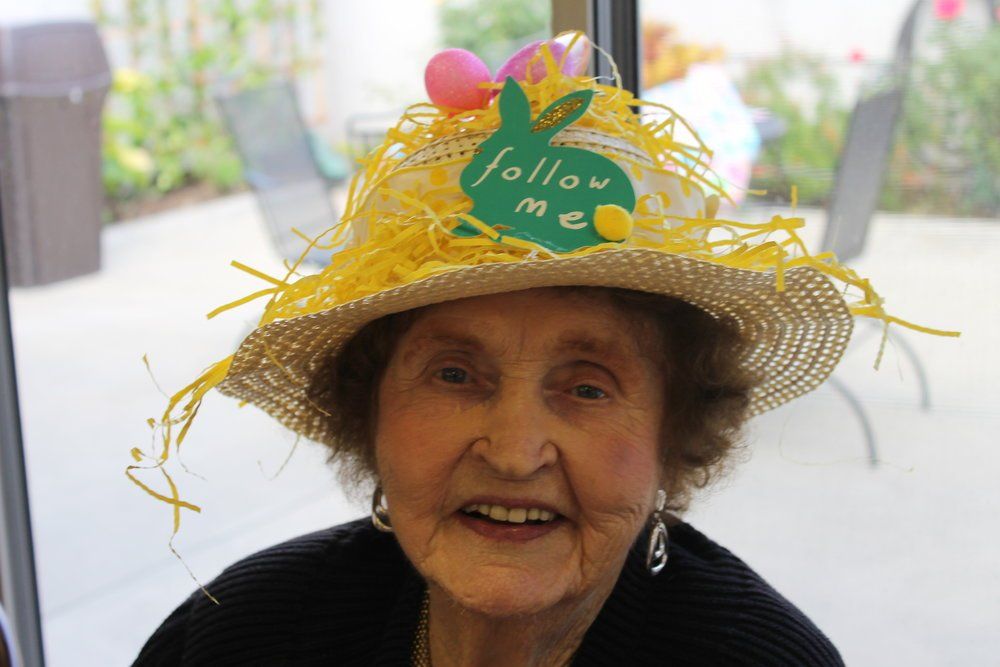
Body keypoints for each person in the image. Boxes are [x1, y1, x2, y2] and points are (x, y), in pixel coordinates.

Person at [131, 33, 952, 666]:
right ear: (369, 411)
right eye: (455, 374)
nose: (516, 451)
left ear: (676, 435)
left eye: (588, 387)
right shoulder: (240, 634)